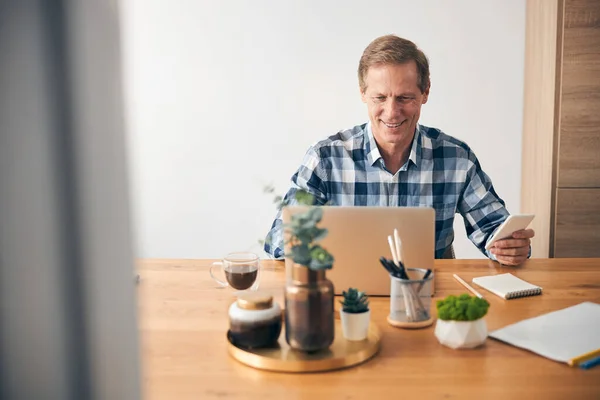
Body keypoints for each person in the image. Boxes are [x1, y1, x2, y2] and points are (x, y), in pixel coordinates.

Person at [264, 34, 534, 266]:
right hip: (348, 297)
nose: (392, 112)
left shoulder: (456, 158)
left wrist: (510, 247)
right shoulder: (325, 158)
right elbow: (278, 242)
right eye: (379, 97)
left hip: (427, 296)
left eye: (405, 98)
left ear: (425, 92)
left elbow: (494, 229)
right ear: (362, 93)